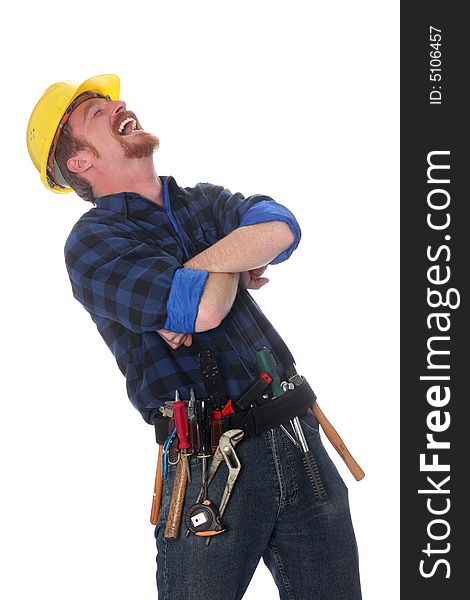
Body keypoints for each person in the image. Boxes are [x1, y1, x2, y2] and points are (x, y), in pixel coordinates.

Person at [27, 74, 362, 600]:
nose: (118, 105)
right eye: (96, 113)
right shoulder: (92, 245)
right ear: (80, 162)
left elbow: (282, 228)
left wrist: (201, 270)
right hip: (206, 468)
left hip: (298, 438)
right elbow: (205, 309)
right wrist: (235, 256)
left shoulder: (202, 200)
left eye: (113, 100)